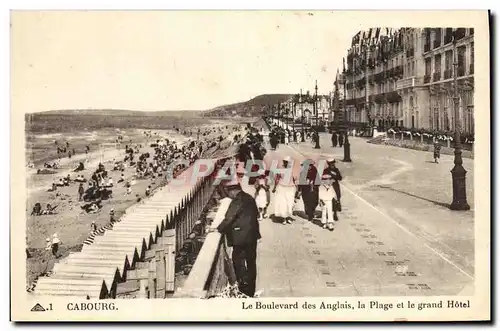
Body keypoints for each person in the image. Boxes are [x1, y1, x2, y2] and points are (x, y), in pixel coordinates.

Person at [215, 181, 261, 298]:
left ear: (233, 190)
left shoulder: (237, 200)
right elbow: (256, 214)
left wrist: (218, 229)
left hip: (241, 237)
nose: (228, 195)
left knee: (238, 261)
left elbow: (229, 218)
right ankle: (251, 288)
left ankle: (243, 288)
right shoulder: (249, 198)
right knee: (251, 262)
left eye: (228, 192)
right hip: (252, 236)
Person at [271, 156, 296, 225]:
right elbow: (277, 179)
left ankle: (288, 217)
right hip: (281, 187)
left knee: (289, 203)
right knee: (283, 203)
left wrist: (296, 189)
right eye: (285, 162)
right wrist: (274, 188)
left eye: (287, 162)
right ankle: (284, 218)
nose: (286, 163)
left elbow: (294, 180)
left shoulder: (292, 170)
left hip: (290, 188)